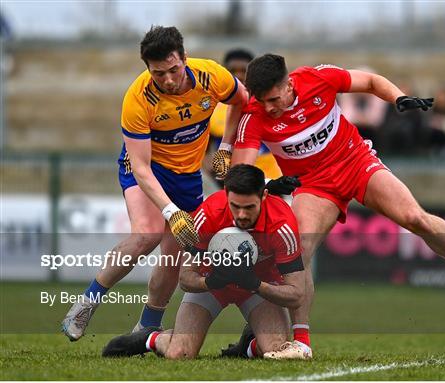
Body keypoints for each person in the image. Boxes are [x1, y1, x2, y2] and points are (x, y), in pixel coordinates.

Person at [228, 54, 445, 359]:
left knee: (415, 218)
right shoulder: (254, 116)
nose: (268, 107)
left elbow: (369, 82)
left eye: (273, 99)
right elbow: (241, 175)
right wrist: (267, 186)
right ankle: (302, 343)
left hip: (356, 162)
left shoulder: (318, 79)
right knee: (298, 248)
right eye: (261, 101)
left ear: (288, 84)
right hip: (314, 185)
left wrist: (399, 98)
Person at [61, 26, 249, 341]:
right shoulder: (138, 97)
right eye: (159, 74)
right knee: (146, 235)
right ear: (148, 69)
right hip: (147, 169)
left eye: (174, 70)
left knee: (175, 253)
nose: (169, 80)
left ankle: (147, 325)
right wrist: (171, 212)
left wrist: (226, 147)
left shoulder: (210, 75)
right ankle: (86, 303)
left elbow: (241, 101)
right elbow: (140, 166)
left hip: (187, 175)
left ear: (185, 59)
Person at [101, 164, 307, 360]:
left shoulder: (282, 224)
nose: (242, 215)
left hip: (259, 288)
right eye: (235, 206)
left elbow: (296, 295)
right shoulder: (208, 214)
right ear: (226, 194)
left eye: (249, 207)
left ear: (264, 196)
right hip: (212, 286)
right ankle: (151, 338)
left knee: (277, 351)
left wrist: (255, 284)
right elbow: (185, 278)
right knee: (179, 354)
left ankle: (249, 345)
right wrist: (210, 282)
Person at [205, 48, 281, 185]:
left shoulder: (271, 106)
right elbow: (203, 149)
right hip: (232, 185)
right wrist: (213, 171)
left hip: (272, 183)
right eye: (233, 71)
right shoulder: (212, 109)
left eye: (244, 71)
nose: (239, 76)